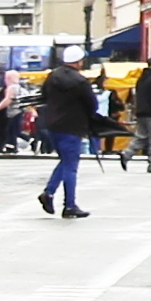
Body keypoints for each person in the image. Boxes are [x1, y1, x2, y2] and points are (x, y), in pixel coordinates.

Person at [32, 56, 101, 216]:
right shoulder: (80, 81)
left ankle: (48, 193)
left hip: (53, 125)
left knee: (65, 161)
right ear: (78, 62)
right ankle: (69, 205)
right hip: (72, 126)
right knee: (71, 166)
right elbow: (92, 104)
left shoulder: (52, 77)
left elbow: (44, 96)